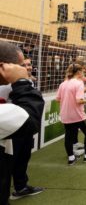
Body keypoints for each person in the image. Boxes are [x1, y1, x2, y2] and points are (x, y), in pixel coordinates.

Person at [0, 61, 44, 204]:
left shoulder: (27, 82)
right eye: (23, 64)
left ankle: (21, 186)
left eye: (29, 64)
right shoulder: (7, 83)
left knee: (23, 158)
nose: (28, 67)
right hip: (10, 128)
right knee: (10, 161)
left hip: (23, 126)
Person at [56, 64, 86, 165]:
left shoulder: (63, 84)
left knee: (68, 136)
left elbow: (57, 99)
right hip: (77, 115)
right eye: (82, 71)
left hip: (65, 115)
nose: (83, 73)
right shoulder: (78, 83)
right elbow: (79, 100)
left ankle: (71, 158)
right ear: (79, 72)